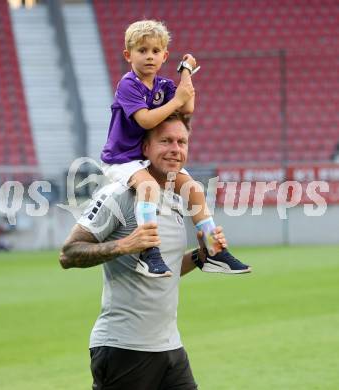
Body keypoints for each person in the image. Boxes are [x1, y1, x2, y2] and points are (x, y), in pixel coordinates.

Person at [60, 113, 232, 390]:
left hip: (170, 348)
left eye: (181, 142)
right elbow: (68, 254)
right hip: (124, 348)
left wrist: (202, 254)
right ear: (145, 148)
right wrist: (125, 245)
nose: (175, 149)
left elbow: (167, 269)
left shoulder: (178, 198)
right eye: (165, 141)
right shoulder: (118, 195)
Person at [100, 19, 250, 277]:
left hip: (147, 156)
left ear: (164, 56)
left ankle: (214, 251)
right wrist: (178, 100)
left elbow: (187, 108)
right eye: (142, 50)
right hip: (123, 159)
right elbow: (146, 119)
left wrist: (185, 72)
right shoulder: (128, 84)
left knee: (193, 188)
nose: (149, 57)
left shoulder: (163, 86)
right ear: (128, 55)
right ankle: (148, 253)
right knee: (147, 187)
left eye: (155, 51)